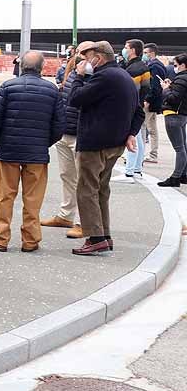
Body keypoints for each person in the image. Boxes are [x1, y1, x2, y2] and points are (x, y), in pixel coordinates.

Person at [68, 41, 144, 256]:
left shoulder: (104, 77)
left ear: (98, 58)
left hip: (95, 143)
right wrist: (131, 134)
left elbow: (75, 99)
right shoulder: (123, 76)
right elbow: (138, 112)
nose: (84, 61)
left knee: (87, 189)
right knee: (101, 189)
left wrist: (79, 76)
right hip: (115, 143)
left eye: (87, 57)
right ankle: (104, 234)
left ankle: (96, 237)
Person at [0, 51, 65, 253]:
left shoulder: (8, 86)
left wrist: (1, 140)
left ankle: (1, 237)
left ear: (21, 66)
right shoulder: (52, 90)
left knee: (5, 196)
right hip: (37, 154)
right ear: (42, 67)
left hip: (9, 150)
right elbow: (59, 125)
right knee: (33, 198)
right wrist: (44, 143)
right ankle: (30, 240)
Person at [42, 50, 84, 239]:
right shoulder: (73, 74)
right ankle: (66, 215)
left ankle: (84, 221)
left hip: (81, 135)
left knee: (86, 181)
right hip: (65, 132)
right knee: (67, 176)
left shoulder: (91, 77)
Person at [121, 39, 151, 178]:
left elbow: (127, 90)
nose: (124, 49)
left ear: (132, 50)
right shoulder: (142, 66)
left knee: (132, 136)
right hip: (139, 105)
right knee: (138, 137)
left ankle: (129, 171)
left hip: (132, 106)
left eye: (126, 47)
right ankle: (137, 168)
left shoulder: (133, 69)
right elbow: (146, 88)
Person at [157, 54, 187, 187]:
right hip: (182, 115)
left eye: (175, 65)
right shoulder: (182, 79)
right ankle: (183, 175)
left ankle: (175, 177)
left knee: (179, 148)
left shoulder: (181, 78)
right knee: (183, 147)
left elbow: (173, 98)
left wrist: (165, 89)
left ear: (183, 65)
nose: (174, 68)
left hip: (173, 114)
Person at [143, 43, 166, 164]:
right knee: (152, 129)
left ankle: (138, 155)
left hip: (150, 102)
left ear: (151, 53)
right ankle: (153, 154)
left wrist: (147, 99)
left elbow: (154, 86)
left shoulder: (154, 66)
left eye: (145, 53)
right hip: (155, 102)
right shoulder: (159, 65)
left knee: (141, 128)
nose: (144, 55)